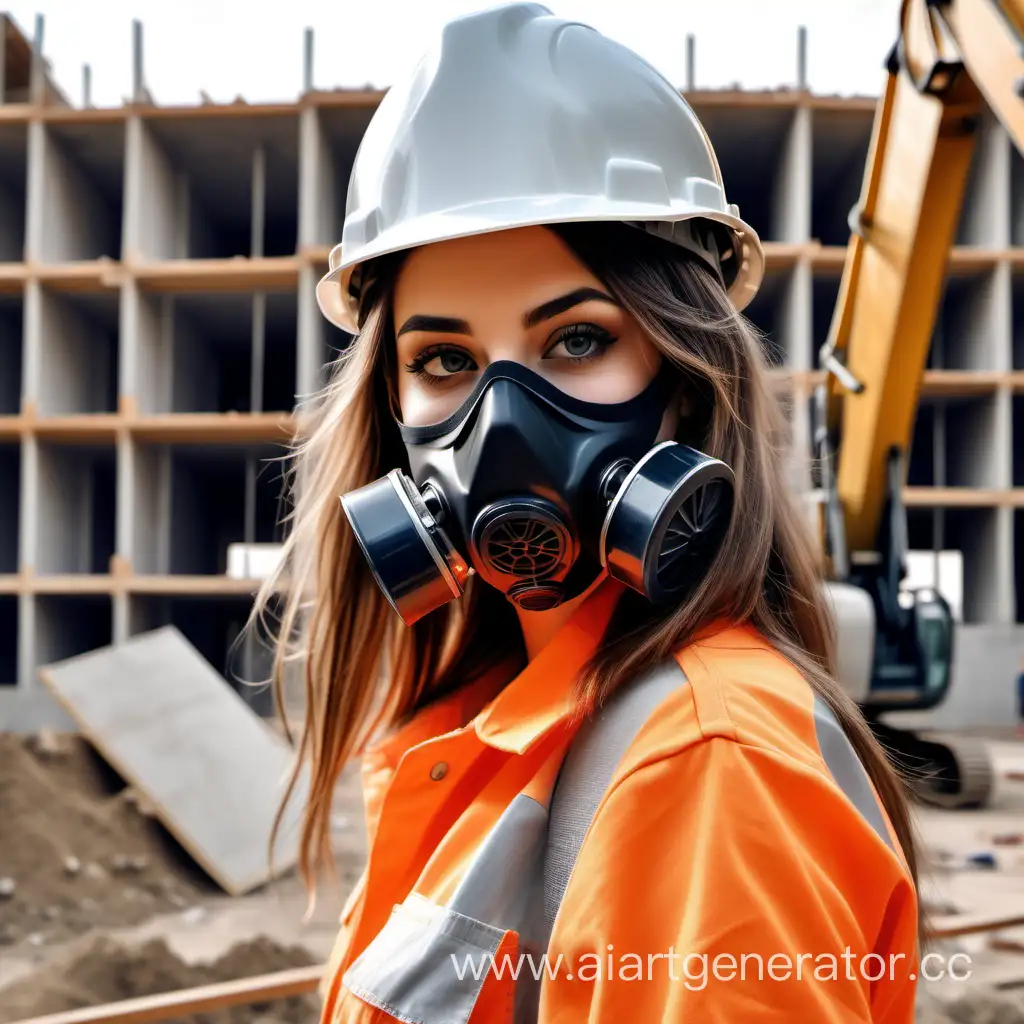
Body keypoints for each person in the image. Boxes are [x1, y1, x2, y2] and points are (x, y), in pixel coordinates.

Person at [259, 4, 921, 1021]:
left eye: (575, 340)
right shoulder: (495, 724)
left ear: (689, 376)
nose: (505, 424)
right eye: (444, 360)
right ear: (390, 412)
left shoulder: (704, 762)